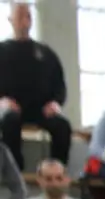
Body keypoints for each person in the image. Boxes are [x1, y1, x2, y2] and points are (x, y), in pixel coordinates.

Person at [0, 3, 70, 173]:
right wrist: (2, 101)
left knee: (63, 126)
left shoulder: (45, 53)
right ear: (10, 20)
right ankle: (15, 171)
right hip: (11, 109)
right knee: (9, 121)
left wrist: (55, 103)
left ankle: (56, 171)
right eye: (20, 16)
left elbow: (59, 85)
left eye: (28, 16)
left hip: (41, 110)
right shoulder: (2, 51)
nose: (25, 20)